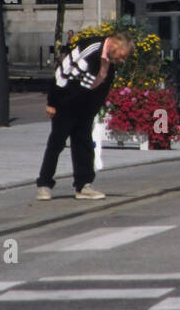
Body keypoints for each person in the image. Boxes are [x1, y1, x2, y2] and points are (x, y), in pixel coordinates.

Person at [36, 31, 134, 201]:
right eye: (122, 56)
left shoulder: (110, 61)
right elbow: (63, 72)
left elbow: (103, 88)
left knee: (84, 145)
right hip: (66, 102)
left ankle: (83, 186)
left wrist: (93, 110)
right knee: (56, 143)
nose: (122, 60)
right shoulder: (92, 48)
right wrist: (52, 101)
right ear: (115, 45)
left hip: (86, 107)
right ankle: (44, 184)